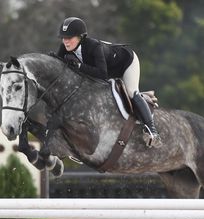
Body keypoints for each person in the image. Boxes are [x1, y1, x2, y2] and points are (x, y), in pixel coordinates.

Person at [56, 17, 162, 148]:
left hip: (126, 62)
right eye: (63, 37)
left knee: (131, 91)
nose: (65, 41)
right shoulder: (65, 47)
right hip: (107, 68)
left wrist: (78, 66)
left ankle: (152, 131)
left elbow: (102, 74)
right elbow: (57, 64)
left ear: (80, 37)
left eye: (69, 37)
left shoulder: (94, 47)